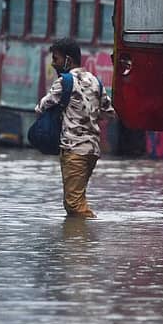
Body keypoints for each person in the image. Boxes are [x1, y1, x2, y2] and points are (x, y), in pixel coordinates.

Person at [35, 38, 115, 218]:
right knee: (78, 199)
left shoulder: (64, 82)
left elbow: (41, 108)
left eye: (56, 59)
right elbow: (109, 112)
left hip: (74, 150)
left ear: (68, 61)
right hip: (92, 150)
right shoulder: (95, 81)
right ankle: (78, 240)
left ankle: (81, 242)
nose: (53, 63)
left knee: (73, 205)